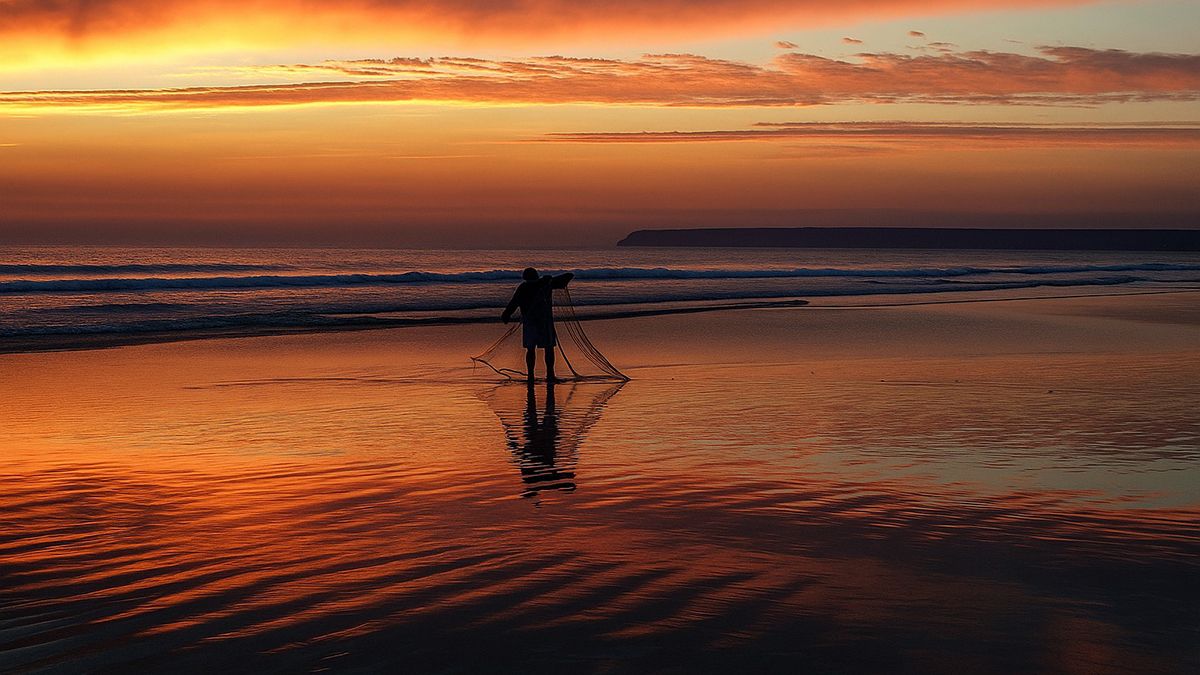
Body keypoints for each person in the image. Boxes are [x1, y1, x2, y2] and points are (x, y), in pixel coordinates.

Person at [501, 268, 574, 382]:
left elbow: (513, 303)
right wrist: (548, 279)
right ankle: (550, 375)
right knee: (548, 348)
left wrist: (506, 315)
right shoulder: (544, 284)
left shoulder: (525, 287)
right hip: (544, 322)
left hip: (530, 323)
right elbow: (569, 276)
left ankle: (531, 376)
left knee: (531, 349)